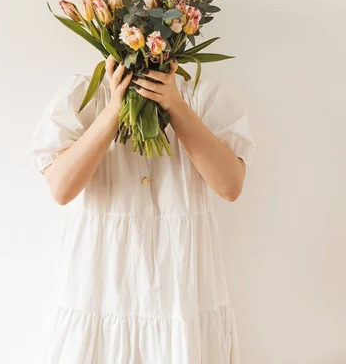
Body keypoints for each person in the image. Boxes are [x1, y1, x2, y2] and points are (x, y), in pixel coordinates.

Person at [29, 54, 257, 363]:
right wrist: (114, 109)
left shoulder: (201, 94)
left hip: (180, 285)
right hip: (101, 283)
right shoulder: (86, 94)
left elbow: (230, 186)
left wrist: (175, 105)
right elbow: (62, 188)